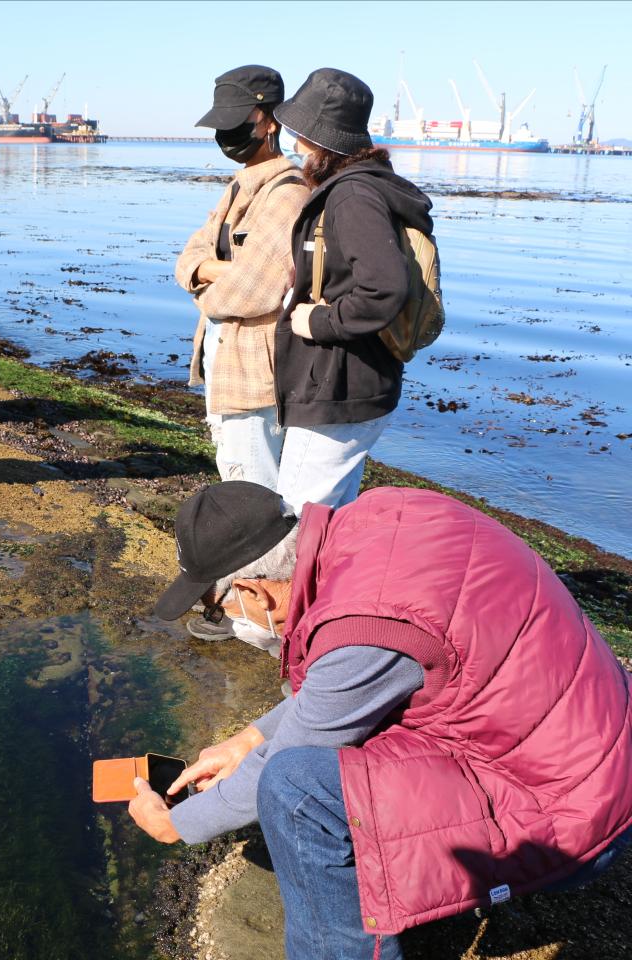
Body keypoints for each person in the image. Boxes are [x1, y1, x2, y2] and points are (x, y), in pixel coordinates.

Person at [135, 480, 632, 959]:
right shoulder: (383, 518)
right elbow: (358, 683)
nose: (224, 621)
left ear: (254, 592)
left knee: (296, 791)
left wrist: (178, 823)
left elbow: (322, 714)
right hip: (586, 747)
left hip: (569, 816)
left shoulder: (368, 623)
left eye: (218, 610)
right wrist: (248, 738)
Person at [271, 69, 432, 512]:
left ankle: (292, 586)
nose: (296, 144)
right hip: (353, 385)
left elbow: (384, 288)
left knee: (295, 520)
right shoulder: (367, 186)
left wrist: (314, 319)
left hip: (339, 388)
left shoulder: (353, 195)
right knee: (332, 520)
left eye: (300, 132)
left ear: (320, 138)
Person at [175, 66, 308, 493]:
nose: (225, 136)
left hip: (255, 376)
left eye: (235, 123)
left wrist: (206, 281)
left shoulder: (288, 193)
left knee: (255, 493)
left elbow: (254, 289)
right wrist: (213, 270)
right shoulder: (239, 186)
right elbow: (187, 259)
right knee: (236, 478)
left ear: (269, 121)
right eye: (221, 125)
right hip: (225, 363)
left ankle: (269, 562)